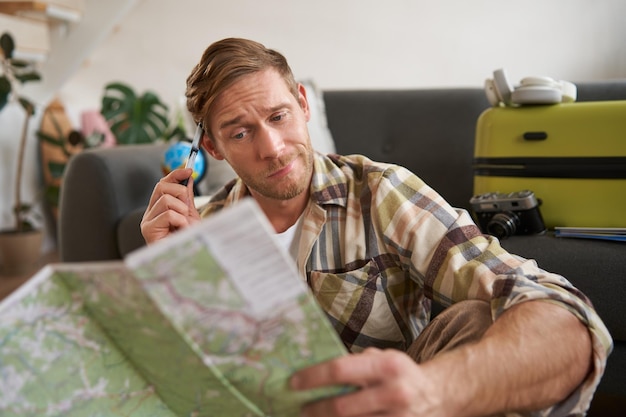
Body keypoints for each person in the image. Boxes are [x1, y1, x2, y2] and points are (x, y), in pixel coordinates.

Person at [141, 37, 611, 417]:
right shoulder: (202, 227)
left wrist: (431, 389)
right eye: (241, 132)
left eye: (278, 116)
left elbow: (562, 312)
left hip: (394, 406)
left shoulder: (381, 191)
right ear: (212, 148)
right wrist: (171, 271)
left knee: (480, 319)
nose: (273, 148)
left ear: (302, 104)